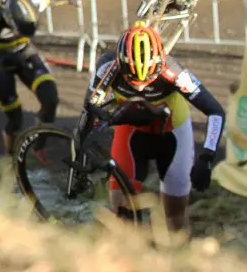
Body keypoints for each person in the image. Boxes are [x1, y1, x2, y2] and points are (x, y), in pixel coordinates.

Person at [72, 23, 225, 233]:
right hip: (131, 132)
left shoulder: (174, 72)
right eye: (132, 79)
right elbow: (88, 111)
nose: (141, 86)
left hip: (173, 134)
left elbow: (215, 111)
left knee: (175, 218)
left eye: (148, 79)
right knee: (122, 214)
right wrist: (82, 154)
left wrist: (207, 157)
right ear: (120, 63)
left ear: (159, 64)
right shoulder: (106, 68)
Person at [0, 0, 78, 156]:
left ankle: (39, 146)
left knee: (50, 99)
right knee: (15, 119)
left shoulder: (31, 4)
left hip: (24, 54)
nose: (20, 35)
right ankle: (13, 160)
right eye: (19, 32)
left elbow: (49, 0)